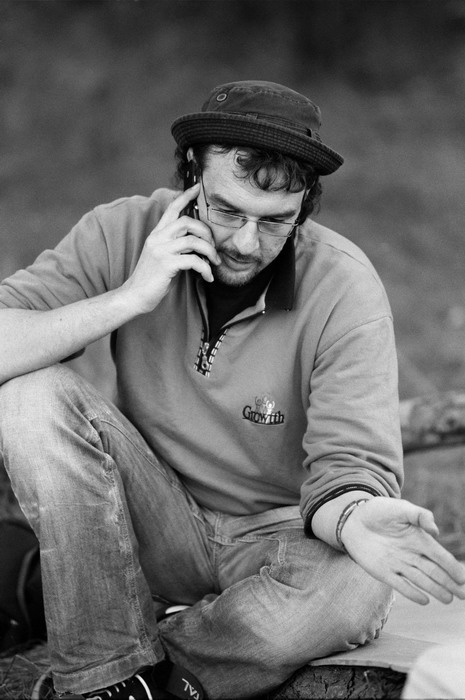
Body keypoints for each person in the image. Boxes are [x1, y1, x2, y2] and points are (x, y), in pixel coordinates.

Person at [0, 80, 463, 700]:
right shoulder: (123, 231)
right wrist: (129, 297)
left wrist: (355, 517)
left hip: (282, 539)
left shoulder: (345, 288)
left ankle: (143, 673)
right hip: (152, 520)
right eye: (226, 211)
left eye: (275, 222)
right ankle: (107, 672)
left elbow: (349, 464)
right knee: (29, 395)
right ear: (193, 175)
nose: (246, 243)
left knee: (356, 588)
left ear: (305, 205)